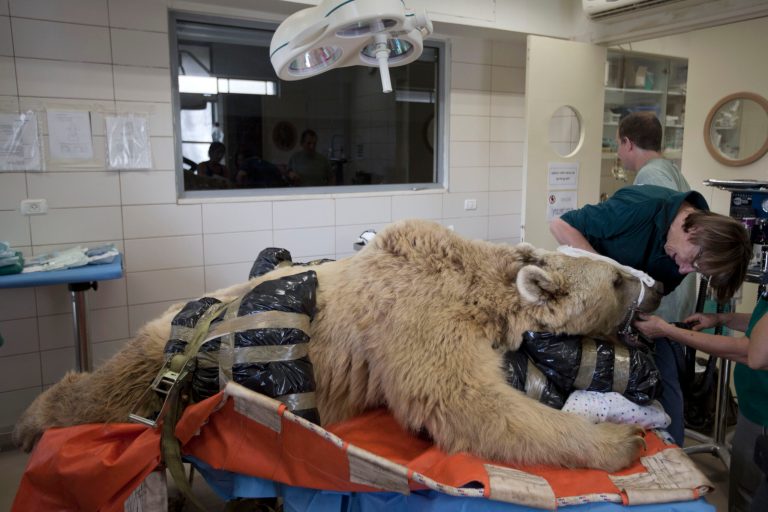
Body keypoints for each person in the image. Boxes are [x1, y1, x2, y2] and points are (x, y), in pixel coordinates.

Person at [549, 184, 752, 444]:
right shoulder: (638, 210)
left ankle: (668, 461)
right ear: (695, 231)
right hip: (584, 312)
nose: (683, 270)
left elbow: (651, 295)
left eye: (696, 270)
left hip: (627, 322)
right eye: (691, 261)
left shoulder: (685, 250)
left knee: (667, 396)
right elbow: (560, 225)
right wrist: (614, 278)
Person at [633, 296, 768, 512]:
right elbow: (760, 323)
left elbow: (751, 352)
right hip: (751, 405)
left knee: (751, 495)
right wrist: (722, 319)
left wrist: (669, 331)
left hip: (763, 413)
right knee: (743, 488)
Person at [618, 111, 697, 447]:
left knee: (663, 383)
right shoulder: (670, 170)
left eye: (620, 147)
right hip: (676, 299)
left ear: (627, 142)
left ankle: (671, 452)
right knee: (668, 379)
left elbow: (660, 241)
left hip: (662, 305)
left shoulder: (652, 177)